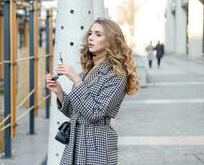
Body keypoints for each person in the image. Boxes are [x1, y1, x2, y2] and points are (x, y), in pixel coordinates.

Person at [46, 17, 139, 165]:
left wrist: (76, 80)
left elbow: (95, 113)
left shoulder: (117, 75)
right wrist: (59, 92)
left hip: (96, 146)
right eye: (90, 33)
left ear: (110, 41)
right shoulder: (87, 70)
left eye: (98, 34)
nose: (91, 37)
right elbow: (75, 111)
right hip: (75, 143)